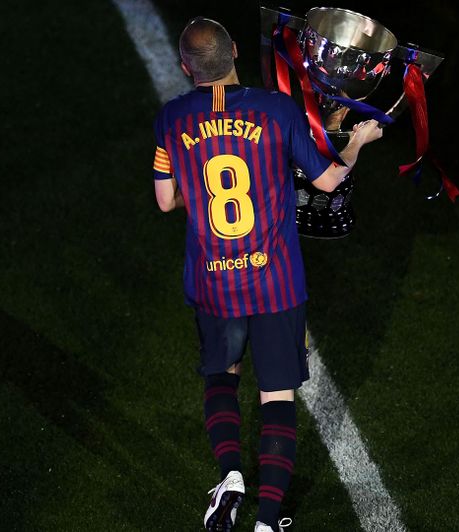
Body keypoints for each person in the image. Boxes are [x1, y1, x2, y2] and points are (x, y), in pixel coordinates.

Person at [151, 17, 383, 532]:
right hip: (275, 283)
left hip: (213, 283)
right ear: (234, 50)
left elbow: (166, 200)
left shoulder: (170, 120)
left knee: (221, 379)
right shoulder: (277, 109)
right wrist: (357, 142)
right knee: (276, 395)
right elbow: (325, 181)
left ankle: (231, 477)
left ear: (185, 68)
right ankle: (267, 521)